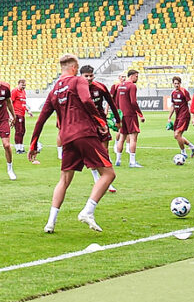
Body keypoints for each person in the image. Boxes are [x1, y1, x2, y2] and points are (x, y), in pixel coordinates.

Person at [29, 54, 116, 233]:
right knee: (108, 174)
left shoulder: (54, 90)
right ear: (75, 68)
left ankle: (50, 223)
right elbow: (86, 100)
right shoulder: (78, 81)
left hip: (66, 138)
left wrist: (33, 145)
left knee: (64, 180)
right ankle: (88, 211)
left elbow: (41, 119)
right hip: (84, 133)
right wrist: (101, 122)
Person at [80, 64, 120, 193]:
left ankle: (106, 181)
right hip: (86, 124)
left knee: (104, 151)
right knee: (93, 153)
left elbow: (111, 102)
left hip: (101, 122)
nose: (89, 78)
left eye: (91, 75)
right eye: (86, 76)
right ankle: (98, 179)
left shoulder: (100, 87)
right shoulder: (77, 89)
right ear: (81, 76)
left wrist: (118, 120)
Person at [115, 69, 145, 167]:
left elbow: (117, 101)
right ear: (132, 76)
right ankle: (132, 162)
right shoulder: (132, 86)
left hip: (122, 114)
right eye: (136, 76)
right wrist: (140, 114)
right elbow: (133, 102)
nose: (137, 78)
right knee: (133, 137)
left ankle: (118, 160)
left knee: (122, 137)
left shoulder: (120, 86)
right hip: (130, 115)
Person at [169, 76, 194, 159]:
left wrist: (193, 117)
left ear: (180, 83)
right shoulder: (173, 93)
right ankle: (193, 147)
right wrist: (169, 118)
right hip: (177, 117)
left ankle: (183, 153)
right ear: (173, 84)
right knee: (177, 136)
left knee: (177, 134)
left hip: (185, 116)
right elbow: (173, 105)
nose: (176, 85)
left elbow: (190, 104)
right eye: (175, 83)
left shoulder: (184, 91)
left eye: (178, 83)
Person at [110, 74, 126, 160]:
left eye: (125, 76)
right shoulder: (115, 86)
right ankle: (116, 144)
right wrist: (108, 109)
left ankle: (127, 146)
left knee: (126, 128)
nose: (124, 78)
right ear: (119, 77)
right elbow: (110, 98)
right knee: (120, 128)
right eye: (122, 76)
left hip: (124, 109)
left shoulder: (126, 86)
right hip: (117, 110)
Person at [11, 78, 28, 154]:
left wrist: (28, 110)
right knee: (18, 131)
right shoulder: (15, 91)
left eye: (25, 85)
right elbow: (10, 102)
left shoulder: (23, 92)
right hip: (16, 114)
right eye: (22, 85)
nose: (23, 86)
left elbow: (23, 103)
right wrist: (11, 114)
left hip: (22, 114)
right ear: (19, 84)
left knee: (23, 131)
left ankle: (21, 146)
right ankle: (18, 148)